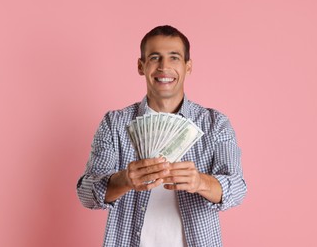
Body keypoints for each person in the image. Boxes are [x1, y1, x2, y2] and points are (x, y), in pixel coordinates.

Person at [77, 25, 247, 247]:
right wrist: (124, 180)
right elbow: (86, 194)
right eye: (155, 57)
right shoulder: (115, 123)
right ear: (141, 66)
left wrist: (200, 182)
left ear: (188, 67)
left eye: (174, 58)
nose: (164, 67)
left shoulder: (215, 123)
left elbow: (237, 188)